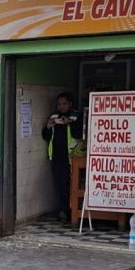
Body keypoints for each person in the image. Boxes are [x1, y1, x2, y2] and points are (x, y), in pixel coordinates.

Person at [40, 91, 80, 222]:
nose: (61, 106)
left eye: (64, 104)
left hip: (72, 157)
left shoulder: (76, 116)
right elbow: (46, 136)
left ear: (70, 104)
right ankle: (64, 209)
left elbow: (80, 134)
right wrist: (48, 126)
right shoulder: (54, 116)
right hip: (56, 156)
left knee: (71, 184)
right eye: (59, 104)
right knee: (59, 184)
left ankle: (71, 210)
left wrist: (70, 123)